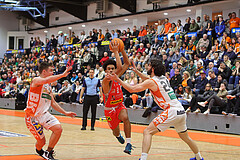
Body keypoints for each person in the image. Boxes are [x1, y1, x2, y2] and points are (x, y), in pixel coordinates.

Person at [110, 58, 204, 160]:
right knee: (186, 137)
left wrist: (118, 79)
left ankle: (143, 158)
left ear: (153, 68)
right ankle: (199, 157)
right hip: (181, 111)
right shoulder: (163, 78)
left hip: (171, 111)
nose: (147, 67)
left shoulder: (152, 81)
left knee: (147, 132)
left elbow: (132, 89)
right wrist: (137, 72)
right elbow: (148, 79)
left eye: (149, 66)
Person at [24, 62, 76, 160]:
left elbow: (53, 103)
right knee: (41, 142)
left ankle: (48, 152)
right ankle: (39, 150)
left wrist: (65, 113)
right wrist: (62, 75)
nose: (53, 72)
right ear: (44, 71)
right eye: (51, 70)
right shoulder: (36, 80)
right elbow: (47, 79)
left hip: (44, 114)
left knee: (58, 129)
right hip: (32, 117)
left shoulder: (48, 86)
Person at [102, 41, 132, 154]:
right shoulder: (105, 81)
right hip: (109, 110)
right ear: (105, 71)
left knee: (125, 117)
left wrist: (122, 49)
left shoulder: (116, 76)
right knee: (115, 131)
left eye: (112, 68)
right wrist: (115, 52)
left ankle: (129, 143)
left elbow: (127, 63)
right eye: (108, 69)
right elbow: (120, 66)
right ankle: (118, 135)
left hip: (119, 105)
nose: (111, 70)